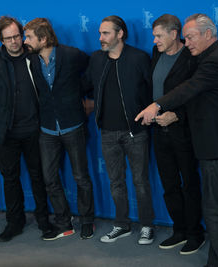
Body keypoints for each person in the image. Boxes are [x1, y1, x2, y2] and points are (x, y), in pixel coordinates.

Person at [135, 13, 218, 266]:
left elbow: (190, 88)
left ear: (208, 34)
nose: (187, 43)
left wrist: (157, 105)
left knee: (215, 206)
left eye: (190, 37)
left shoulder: (215, 60)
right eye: (185, 37)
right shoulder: (213, 56)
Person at [84, 15, 155, 244]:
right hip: (107, 133)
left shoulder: (139, 58)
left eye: (106, 33)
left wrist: (150, 115)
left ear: (120, 33)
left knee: (140, 182)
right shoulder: (96, 59)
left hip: (135, 132)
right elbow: (86, 85)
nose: (101, 38)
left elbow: (153, 91)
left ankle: (146, 225)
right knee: (115, 182)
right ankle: (121, 224)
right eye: (100, 33)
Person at [0, 16, 53, 242]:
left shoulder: (34, 57)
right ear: (0, 40)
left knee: (38, 177)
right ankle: (15, 223)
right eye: (8, 38)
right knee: (10, 179)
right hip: (6, 133)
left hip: (34, 130)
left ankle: (44, 220)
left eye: (17, 36)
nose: (14, 42)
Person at [23, 18, 95, 240]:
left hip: (73, 126)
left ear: (43, 39)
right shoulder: (32, 60)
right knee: (50, 179)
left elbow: (92, 72)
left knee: (81, 177)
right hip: (47, 130)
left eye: (29, 37)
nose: (26, 41)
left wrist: (84, 97)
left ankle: (87, 221)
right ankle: (64, 222)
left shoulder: (72, 55)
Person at [150, 14, 204, 254]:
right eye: (154, 36)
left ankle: (195, 233)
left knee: (189, 183)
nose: (155, 40)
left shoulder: (191, 58)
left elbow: (198, 93)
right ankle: (179, 230)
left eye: (159, 35)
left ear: (174, 34)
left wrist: (178, 115)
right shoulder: (156, 54)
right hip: (159, 132)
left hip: (183, 132)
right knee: (169, 184)